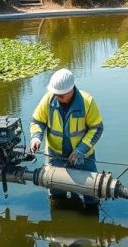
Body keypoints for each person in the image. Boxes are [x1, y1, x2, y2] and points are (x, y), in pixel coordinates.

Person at [29, 68, 104, 208]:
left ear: (72, 89)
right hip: (55, 157)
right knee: (57, 195)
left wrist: (80, 150)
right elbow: (37, 122)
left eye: (63, 95)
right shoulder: (48, 100)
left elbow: (97, 128)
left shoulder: (87, 101)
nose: (59, 98)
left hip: (83, 157)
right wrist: (36, 138)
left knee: (91, 195)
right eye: (57, 94)